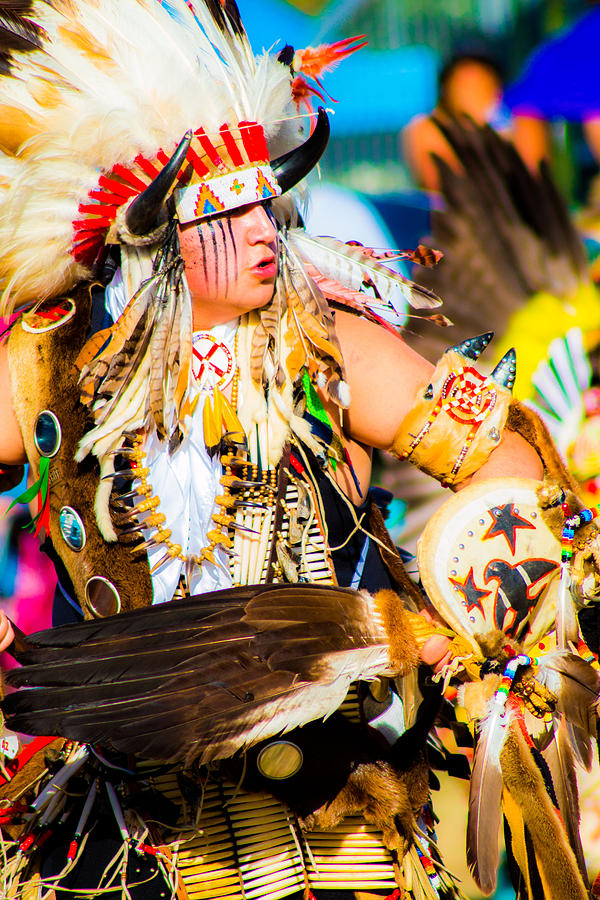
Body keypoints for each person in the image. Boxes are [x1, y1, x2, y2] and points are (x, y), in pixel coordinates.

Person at [0, 3, 593, 900]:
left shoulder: (326, 345)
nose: (263, 233)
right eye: (225, 214)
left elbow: (497, 458)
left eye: (267, 208)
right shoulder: (50, 361)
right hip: (131, 820)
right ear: (152, 232)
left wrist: (483, 623)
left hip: (329, 807)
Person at [402, 49, 509, 192]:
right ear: (448, 88)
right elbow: (438, 184)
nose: (473, 94)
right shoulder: (427, 128)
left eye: (482, 86)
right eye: (466, 86)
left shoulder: (502, 127)